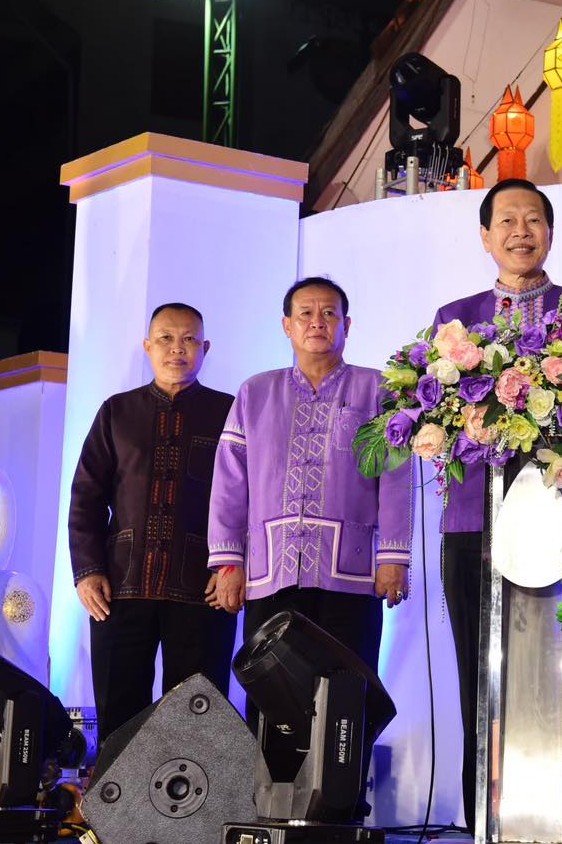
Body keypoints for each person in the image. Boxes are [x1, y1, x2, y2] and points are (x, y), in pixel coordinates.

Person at [431, 178, 562, 831]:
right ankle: (482, 820)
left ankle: (556, 823)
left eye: (532, 219)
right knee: (477, 678)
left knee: (551, 677)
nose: (520, 232)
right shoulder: (455, 319)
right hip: (472, 524)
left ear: (550, 233)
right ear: (485, 237)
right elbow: (437, 411)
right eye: (506, 220)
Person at [207, 276, 411, 816]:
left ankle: (341, 807)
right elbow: (230, 483)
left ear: (347, 324)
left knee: (348, 690)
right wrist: (228, 563)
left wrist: (393, 556)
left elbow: (395, 476)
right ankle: (271, 806)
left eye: (329, 313)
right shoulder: (255, 393)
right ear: (286, 325)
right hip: (270, 573)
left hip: (351, 574)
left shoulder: (377, 390)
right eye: (306, 313)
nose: (317, 322)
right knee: (270, 691)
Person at [68, 302, 238, 745]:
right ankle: (117, 795)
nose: (176, 349)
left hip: (205, 588)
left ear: (205, 348)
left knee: (198, 719)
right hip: (120, 587)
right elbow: (86, 496)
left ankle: (194, 795)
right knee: (120, 718)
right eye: (165, 338)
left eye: (188, 340)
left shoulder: (230, 413)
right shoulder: (117, 412)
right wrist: (88, 571)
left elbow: (248, 498)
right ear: (147, 346)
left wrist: (233, 566)